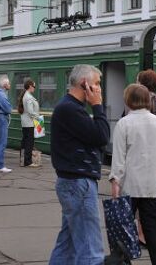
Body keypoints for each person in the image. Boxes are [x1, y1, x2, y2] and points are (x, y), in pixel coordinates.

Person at [49, 64, 109, 265]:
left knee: (68, 246)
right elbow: (102, 136)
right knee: (91, 250)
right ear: (85, 84)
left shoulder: (70, 108)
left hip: (74, 182)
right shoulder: (70, 109)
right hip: (78, 184)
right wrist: (98, 106)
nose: (100, 88)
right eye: (97, 84)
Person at [110, 84, 156, 265]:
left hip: (129, 185)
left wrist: (115, 180)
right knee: (154, 232)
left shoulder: (124, 123)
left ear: (128, 100)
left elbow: (119, 156)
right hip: (152, 186)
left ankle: (123, 262)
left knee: (124, 230)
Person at [18, 79, 40, 168]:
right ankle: (28, 161)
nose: (34, 88)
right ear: (30, 86)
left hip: (25, 123)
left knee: (25, 142)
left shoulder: (25, 96)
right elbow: (31, 111)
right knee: (29, 143)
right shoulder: (29, 97)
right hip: (30, 123)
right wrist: (38, 117)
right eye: (34, 86)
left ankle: (23, 160)